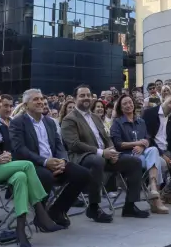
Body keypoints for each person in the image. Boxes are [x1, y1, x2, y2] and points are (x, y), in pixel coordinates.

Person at [0, 89, 62, 247]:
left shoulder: (2, 125)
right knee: (28, 165)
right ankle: (41, 211)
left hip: (7, 168)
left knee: (21, 177)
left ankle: (21, 231)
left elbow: (11, 149)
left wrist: (7, 155)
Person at [61, 85, 149, 221]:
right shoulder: (70, 119)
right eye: (82, 95)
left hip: (105, 155)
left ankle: (130, 206)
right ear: (75, 98)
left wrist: (113, 151)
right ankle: (93, 207)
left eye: (88, 95)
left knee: (134, 162)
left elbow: (107, 138)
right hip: (82, 157)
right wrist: (101, 152)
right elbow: (74, 144)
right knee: (97, 161)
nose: (86, 98)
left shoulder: (96, 117)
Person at [8, 88, 91, 228]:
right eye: (35, 99)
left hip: (55, 163)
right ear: (26, 104)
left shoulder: (50, 122)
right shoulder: (18, 122)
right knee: (46, 176)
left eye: (41, 99)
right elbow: (20, 149)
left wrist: (62, 161)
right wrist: (46, 162)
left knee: (83, 174)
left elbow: (59, 146)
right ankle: (41, 217)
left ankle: (57, 211)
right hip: (33, 165)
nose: (40, 102)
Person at [111, 93, 168, 213]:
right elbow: (118, 144)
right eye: (124, 104)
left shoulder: (141, 121)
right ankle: (156, 199)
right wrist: (136, 143)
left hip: (143, 153)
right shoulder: (117, 123)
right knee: (156, 162)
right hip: (128, 156)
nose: (128, 105)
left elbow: (147, 138)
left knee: (153, 150)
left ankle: (153, 187)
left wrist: (142, 146)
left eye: (130, 102)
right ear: (120, 108)